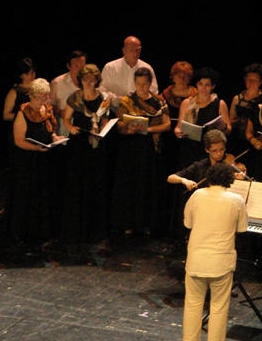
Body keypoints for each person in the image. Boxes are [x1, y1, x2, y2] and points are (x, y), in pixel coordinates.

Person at [182, 162, 247, 341]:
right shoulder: (236, 200)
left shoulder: (197, 195)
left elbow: (188, 223)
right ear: (229, 180)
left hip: (197, 259)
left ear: (209, 178)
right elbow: (242, 228)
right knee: (219, 305)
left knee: (193, 302)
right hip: (221, 262)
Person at [109, 67, 170, 234]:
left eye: (145, 84)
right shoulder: (127, 101)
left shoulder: (159, 101)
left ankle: (147, 223)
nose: (141, 87)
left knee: (149, 184)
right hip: (131, 148)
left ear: (150, 83)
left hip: (151, 148)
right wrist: (130, 129)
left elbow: (167, 124)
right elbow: (119, 125)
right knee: (131, 185)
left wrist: (148, 129)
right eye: (138, 84)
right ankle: (129, 222)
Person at [8, 78, 63, 244]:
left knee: (45, 192)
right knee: (29, 193)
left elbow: (51, 131)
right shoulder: (23, 113)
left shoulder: (47, 109)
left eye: (44, 97)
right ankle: (27, 230)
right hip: (28, 160)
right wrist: (36, 148)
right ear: (31, 96)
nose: (41, 101)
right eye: (38, 97)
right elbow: (19, 140)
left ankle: (45, 228)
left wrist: (55, 137)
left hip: (45, 158)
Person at [62, 64, 113, 243]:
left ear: (97, 81)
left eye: (92, 80)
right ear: (81, 81)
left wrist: (102, 131)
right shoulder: (75, 97)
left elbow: (105, 119)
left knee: (95, 182)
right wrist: (70, 127)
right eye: (86, 80)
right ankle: (76, 225)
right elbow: (66, 118)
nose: (89, 83)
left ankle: (95, 226)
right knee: (78, 183)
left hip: (96, 144)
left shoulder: (103, 98)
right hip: (79, 144)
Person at [174, 66, 231, 169]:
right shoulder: (187, 103)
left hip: (211, 151)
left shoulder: (219, 104)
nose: (203, 88)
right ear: (196, 85)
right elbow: (178, 127)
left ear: (213, 86)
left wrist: (223, 127)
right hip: (190, 149)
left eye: (207, 85)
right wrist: (178, 132)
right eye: (200, 84)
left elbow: (229, 129)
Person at [101, 36, 159, 107]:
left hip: (140, 109)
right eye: (131, 50)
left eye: (138, 50)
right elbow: (102, 91)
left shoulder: (147, 68)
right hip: (115, 108)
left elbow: (154, 92)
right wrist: (121, 100)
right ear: (123, 51)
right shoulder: (110, 67)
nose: (135, 53)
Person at [50, 49, 88, 135]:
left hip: (86, 128)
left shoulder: (90, 82)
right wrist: (60, 112)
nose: (80, 70)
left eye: (82, 66)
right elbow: (49, 105)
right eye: (76, 66)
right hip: (64, 129)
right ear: (68, 66)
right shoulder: (57, 83)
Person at [229, 63, 262, 155]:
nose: (251, 83)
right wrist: (237, 122)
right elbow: (230, 121)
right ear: (244, 80)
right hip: (239, 140)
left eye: (255, 80)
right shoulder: (237, 99)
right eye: (249, 80)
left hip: (257, 140)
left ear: (260, 82)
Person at [2, 57, 35, 123]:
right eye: (27, 74)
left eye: (32, 72)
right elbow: (6, 115)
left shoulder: (39, 88)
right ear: (20, 75)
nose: (31, 76)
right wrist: (24, 116)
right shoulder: (14, 92)